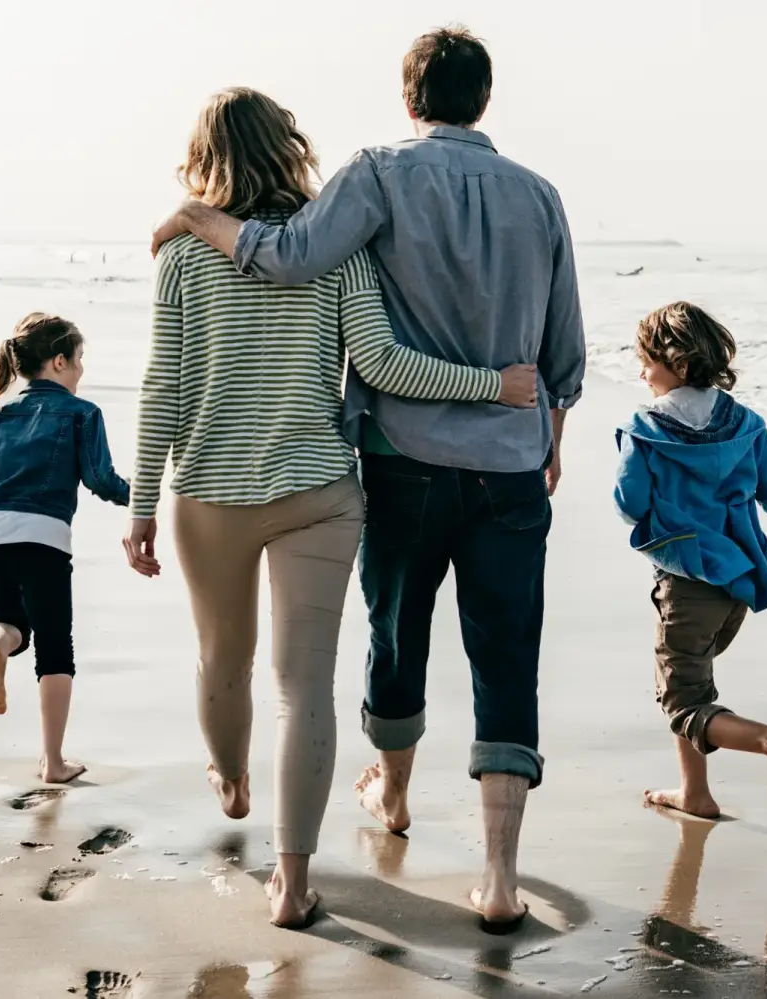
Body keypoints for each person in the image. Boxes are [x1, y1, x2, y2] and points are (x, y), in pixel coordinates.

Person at [151, 26, 584, 934]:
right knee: (506, 656)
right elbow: (562, 349)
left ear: (409, 97)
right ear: (486, 99)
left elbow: (286, 259)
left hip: (402, 462)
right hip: (506, 464)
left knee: (396, 636)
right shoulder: (541, 197)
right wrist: (548, 427)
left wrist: (195, 217)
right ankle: (501, 878)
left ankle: (388, 790)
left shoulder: (378, 177)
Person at [613, 302, 767, 819]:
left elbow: (629, 503)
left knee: (683, 700)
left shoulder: (644, 429)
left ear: (675, 364)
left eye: (647, 361)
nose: (641, 372)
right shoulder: (746, 423)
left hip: (686, 580)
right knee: (693, 681)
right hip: (740, 579)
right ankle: (694, 792)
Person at [0, 312, 130, 785]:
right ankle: (53, 763)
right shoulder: (82, 413)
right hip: (43, 540)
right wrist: (141, 495)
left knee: (9, 626)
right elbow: (99, 479)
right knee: (55, 650)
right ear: (58, 361)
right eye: (78, 360)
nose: (82, 370)